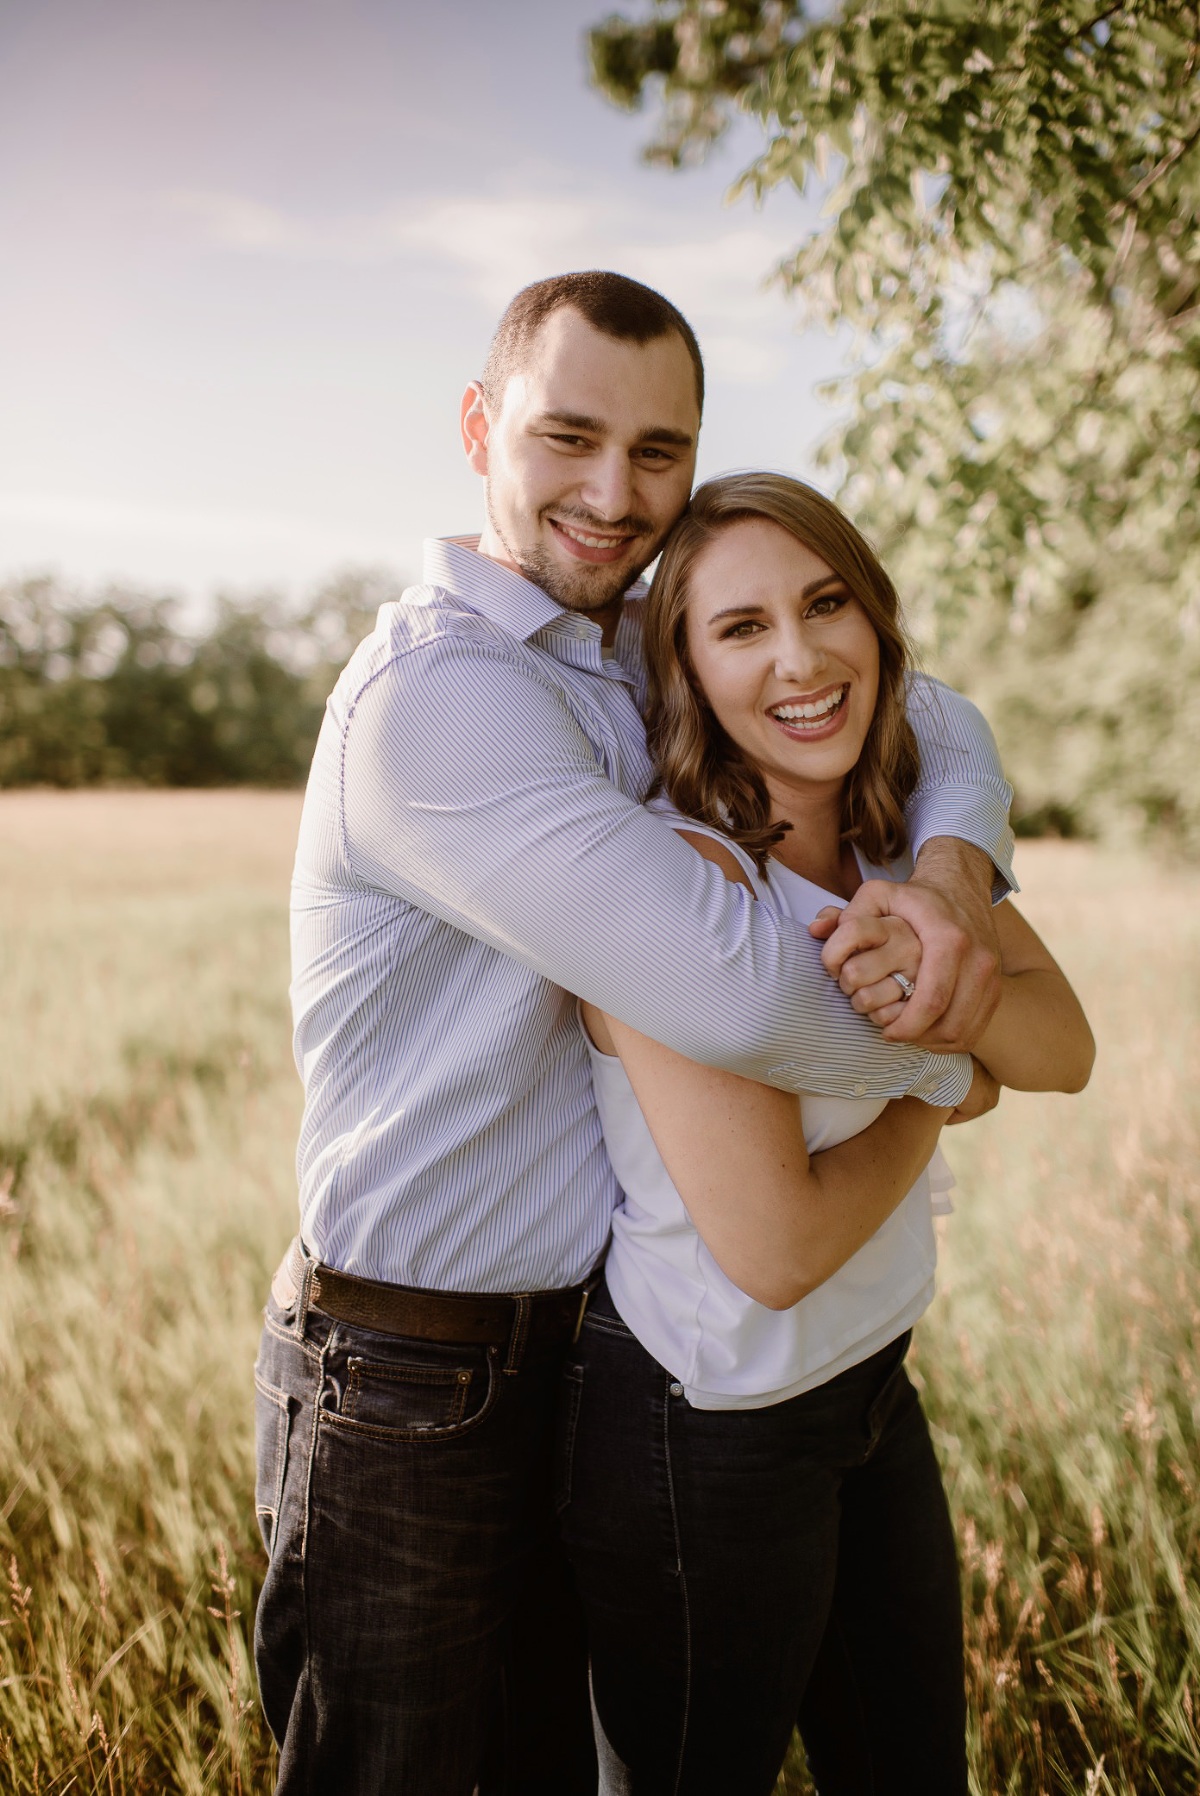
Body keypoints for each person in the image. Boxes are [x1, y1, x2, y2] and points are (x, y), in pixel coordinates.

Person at [253, 271, 1019, 1796]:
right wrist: (963, 1055)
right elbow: (735, 996)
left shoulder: (620, 642)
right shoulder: (443, 702)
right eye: (569, 438)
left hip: (595, 1351)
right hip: (410, 1362)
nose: (615, 495)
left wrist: (944, 877)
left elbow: (930, 710)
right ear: (481, 429)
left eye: (658, 451)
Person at [559, 472, 1095, 1796]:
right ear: (684, 668)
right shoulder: (685, 884)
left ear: (878, 624)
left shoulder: (895, 846)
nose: (801, 660)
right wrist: (945, 1079)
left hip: (867, 1385)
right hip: (707, 1430)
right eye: (741, 629)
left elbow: (1067, 1049)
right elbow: (776, 1243)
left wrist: (943, 943)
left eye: (826, 603)